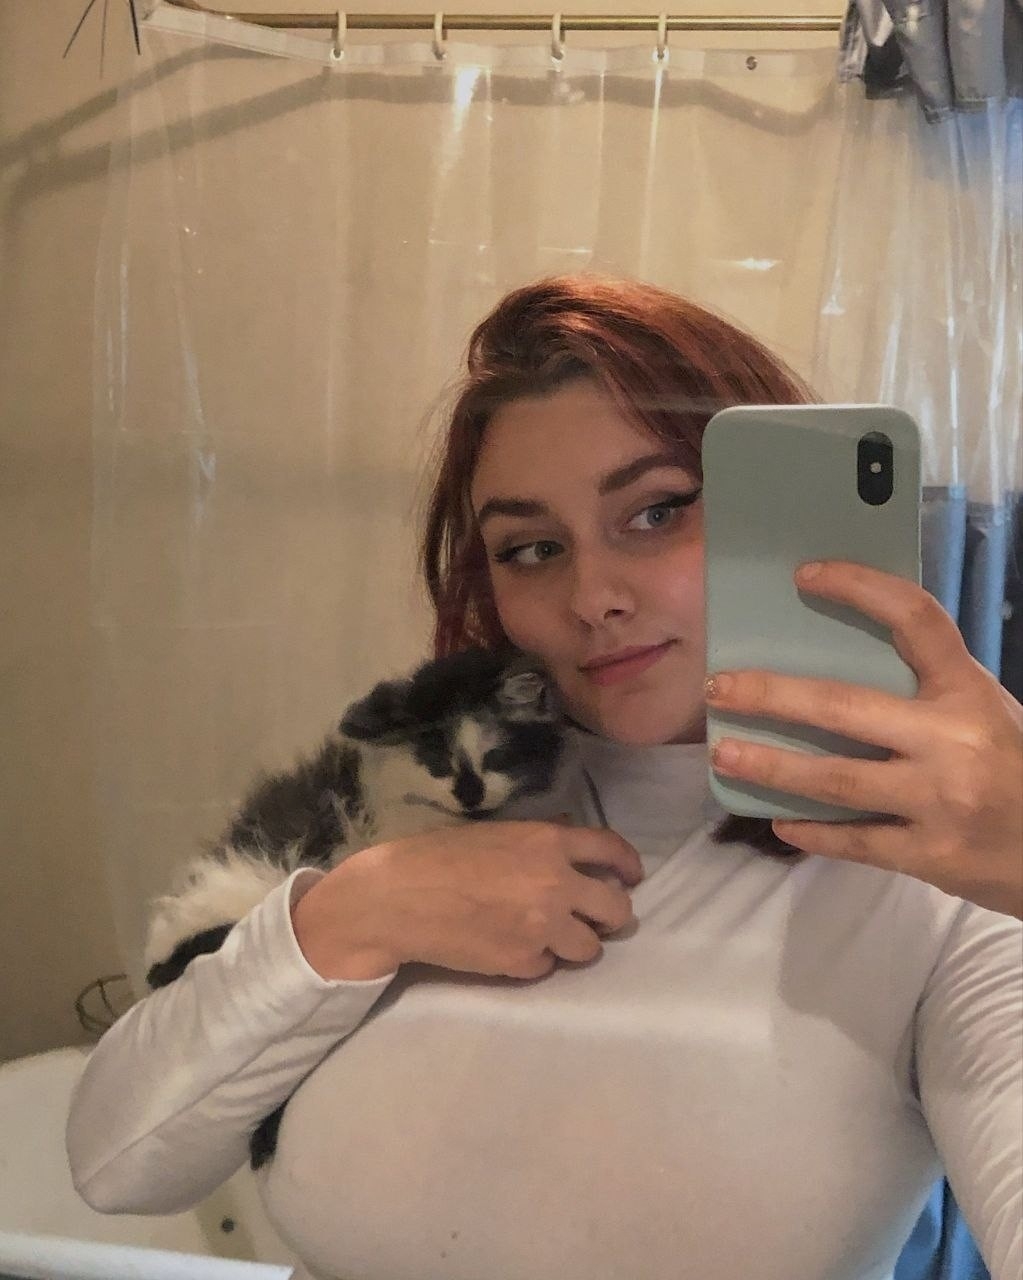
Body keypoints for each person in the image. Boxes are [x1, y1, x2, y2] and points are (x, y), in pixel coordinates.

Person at [67, 276, 1022, 1280]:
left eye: (656, 512)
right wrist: (352, 917)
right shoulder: (416, 799)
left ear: (783, 511)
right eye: (531, 548)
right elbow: (115, 1162)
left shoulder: (939, 886)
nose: (592, 596)